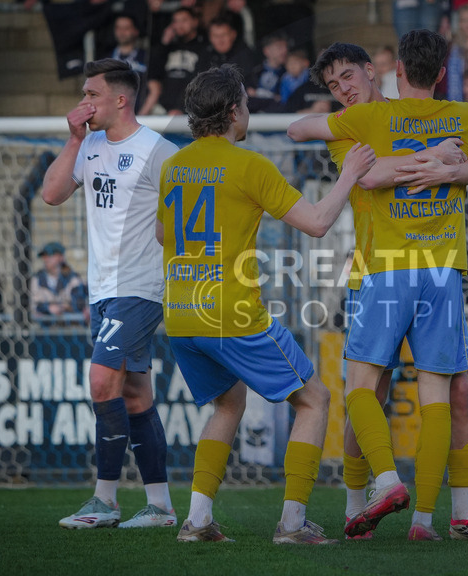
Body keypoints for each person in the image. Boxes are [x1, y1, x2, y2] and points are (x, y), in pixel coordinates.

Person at [287, 30, 468, 541]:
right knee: (389, 391)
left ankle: (427, 514)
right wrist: (439, 158)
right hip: (421, 270)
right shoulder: (359, 124)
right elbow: (366, 176)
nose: (342, 87)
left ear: (379, 71)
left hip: (393, 271)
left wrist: (456, 165)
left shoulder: (378, 117)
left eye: (347, 75)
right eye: (332, 82)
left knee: (387, 388)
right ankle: (368, 503)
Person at [161, 63, 375, 544]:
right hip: (230, 312)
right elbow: (318, 222)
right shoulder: (250, 164)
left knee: (228, 402)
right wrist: (351, 173)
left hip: (179, 313)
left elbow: (162, 233)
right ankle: (294, 524)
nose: (250, 110)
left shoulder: (175, 165)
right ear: (234, 111)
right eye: (247, 102)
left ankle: (196, 522)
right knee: (314, 400)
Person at [43, 59, 179, 529]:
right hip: (103, 289)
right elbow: (51, 194)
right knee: (136, 393)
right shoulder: (90, 144)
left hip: (139, 287)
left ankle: (105, 500)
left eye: (91, 95)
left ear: (120, 99)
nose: (84, 103)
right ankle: (160, 506)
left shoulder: (158, 151)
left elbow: (178, 221)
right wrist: (76, 138)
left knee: (102, 380)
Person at [142, 7, 206, 115]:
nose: (179, 25)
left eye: (184, 20)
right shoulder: (168, 47)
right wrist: (164, 43)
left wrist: (181, 107)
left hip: (190, 110)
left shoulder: (204, 47)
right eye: (176, 21)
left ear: (195, 22)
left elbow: (200, 82)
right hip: (163, 108)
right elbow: (152, 73)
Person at [30, 241, 87, 322]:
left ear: (61, 257)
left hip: (70, 328)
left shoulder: (73, 279)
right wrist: (48, 308)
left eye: (50, 255)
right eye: (44, 256)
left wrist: (64, 307)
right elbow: (34, 305)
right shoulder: (37, 279)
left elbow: (79, 303)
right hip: (44, 329)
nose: (45, 259)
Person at [109, 14, 149, 112]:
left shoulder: (146, 57)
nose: (122, 32)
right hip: (111, 116)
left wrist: (141, 119)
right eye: (118, 28)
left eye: (126, 28)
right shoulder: (106, 58)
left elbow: (155, 89)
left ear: (136, 31)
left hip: (139, 116)